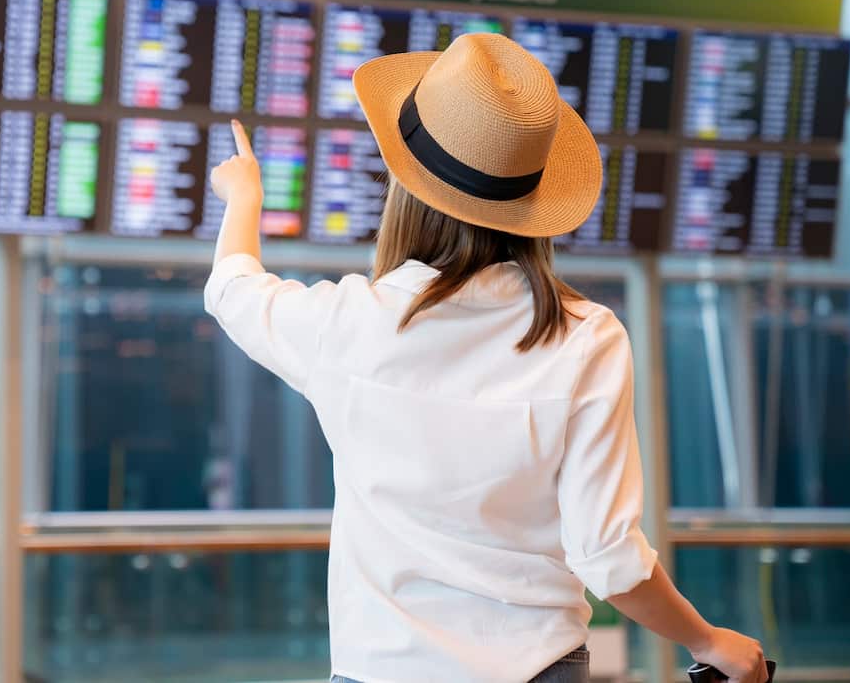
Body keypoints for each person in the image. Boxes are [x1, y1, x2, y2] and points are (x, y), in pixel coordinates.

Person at [204, 34, 769, 683]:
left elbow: (233, 289)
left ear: (405, 188)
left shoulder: (349, 323)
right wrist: (707, 639)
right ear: (532, 204)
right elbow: (608, 555)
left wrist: (244, 195)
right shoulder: (587, 337)